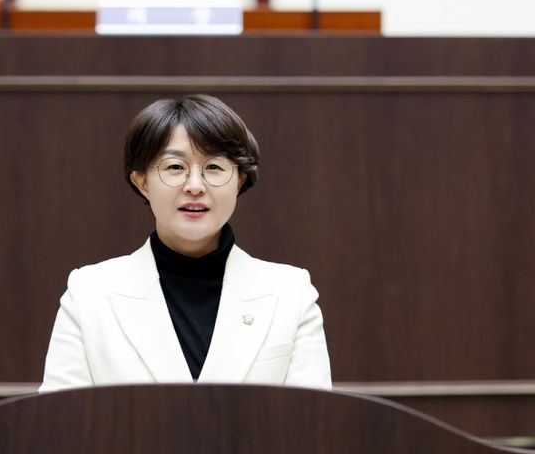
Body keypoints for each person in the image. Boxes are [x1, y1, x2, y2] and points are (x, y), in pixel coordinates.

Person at [40, 94, 331, 391]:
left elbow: (312, 417)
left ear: (240, 179)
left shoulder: (291, 294)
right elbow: (61, 417)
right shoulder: (89, 294)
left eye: (214, 167)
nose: (194, 186)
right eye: (175, 167)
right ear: (142, 181)